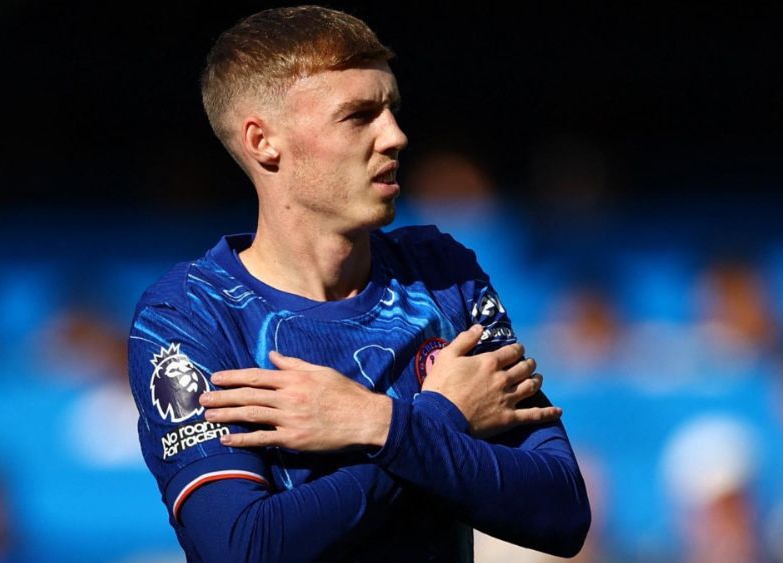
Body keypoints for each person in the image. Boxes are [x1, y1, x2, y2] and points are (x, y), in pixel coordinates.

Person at [127, 6, 591, 562]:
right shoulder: (189, 315)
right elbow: (242, 548)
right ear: (263, 142)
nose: (395, 136)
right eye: (358, 116)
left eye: (392, 109)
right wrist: (434, 421)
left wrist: (374, 423)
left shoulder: (442, 274)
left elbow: (562, 511)